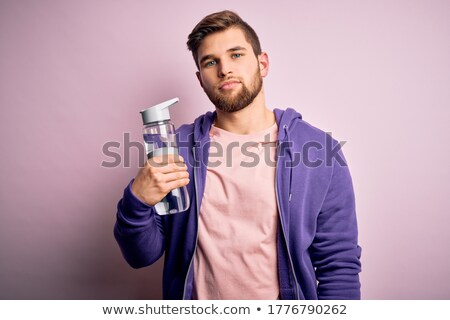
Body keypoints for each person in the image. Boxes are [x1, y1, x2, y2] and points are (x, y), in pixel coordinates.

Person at [114, 10, 362, 300]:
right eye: (210, 62)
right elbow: (141, 255)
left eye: (236, 55)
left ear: (262, 63)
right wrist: (136, 201)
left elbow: (338, 264)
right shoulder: (175, 148)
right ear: (200, 79)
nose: (224, 69)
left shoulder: (318, 151)